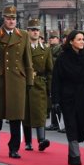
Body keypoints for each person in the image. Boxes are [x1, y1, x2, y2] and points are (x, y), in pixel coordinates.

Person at [0, 5, 34, 159]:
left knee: (16, 116)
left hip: (17, 80)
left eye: (14, 18)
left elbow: (27, 60)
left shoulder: (23, 35)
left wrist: (29, 80)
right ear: (3, 19)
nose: (11, 21)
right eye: (8, 18)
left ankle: (13, 147)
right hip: (0, 79)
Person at [51, 30, 84, 165]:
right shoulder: (62, 58)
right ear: (71, 41)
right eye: (79, 39)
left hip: (83, 97)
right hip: (68, 97)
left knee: (79, 125)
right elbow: (56, 81)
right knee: (71, 125)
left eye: (83, 39)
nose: (82, 41)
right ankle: (76, 155)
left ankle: (71, 155)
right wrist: (55, 100)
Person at [23, 18, 53, 152]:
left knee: (40, 112)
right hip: (26, 84)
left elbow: (50, 70)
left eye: (37, 30)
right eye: (32, 30)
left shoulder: (45, 50)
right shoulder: (23, 48)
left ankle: (41, 140)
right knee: (26, 113)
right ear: (28, 31)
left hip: (40, 84)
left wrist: (50, 89)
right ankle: (28, 142)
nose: (35, 32)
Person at [46, 30, 62, 131]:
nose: (51, 40)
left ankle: (56, 122)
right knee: (51, 100)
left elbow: (58, 61)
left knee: (56, 100)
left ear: (57, 39)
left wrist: (50, 59)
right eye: (50, 38)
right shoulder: (49, 49)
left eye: (53, 38)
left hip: (56, 77)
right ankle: (53, 122)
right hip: (49, 76)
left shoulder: (60, 49)